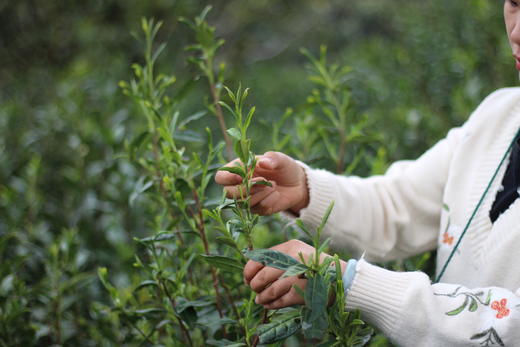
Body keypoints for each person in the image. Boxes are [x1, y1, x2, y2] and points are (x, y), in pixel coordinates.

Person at [216, 1, 520, 345]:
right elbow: (396, 205)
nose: (516, 31)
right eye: (514, 4)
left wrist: (349, 283)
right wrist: (304, 190)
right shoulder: (499, 115)